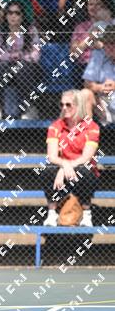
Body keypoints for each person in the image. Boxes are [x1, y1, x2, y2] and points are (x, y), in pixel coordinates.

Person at [42, 90, 100, 227]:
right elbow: (52, 156)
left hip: (81, 170)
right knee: (47, 170)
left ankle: (87, 214)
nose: (64, 108)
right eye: (61, 104)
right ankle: (52, 214)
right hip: (61, 172)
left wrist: (65, 168)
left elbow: (86, 158)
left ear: (79, 106)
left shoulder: (92, 127)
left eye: (68, 105)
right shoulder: (55, 126)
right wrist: (64, 166)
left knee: (84, 170)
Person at [0, 0, 45, 119]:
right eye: (10, 13)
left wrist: (23, 57)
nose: (13, 16)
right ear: (6, 15)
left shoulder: (31, 30)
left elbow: (36, 52)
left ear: (22, 15)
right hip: (6, 68)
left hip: (27, 69)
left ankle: (29, 108)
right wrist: (9, 57)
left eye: (17, 13)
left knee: (23, 67)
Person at [70, 0, 114, 78]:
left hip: (109, 63)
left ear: (104, 7)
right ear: (87, 7)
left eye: (98, 4)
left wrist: (102, 45)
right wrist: (90, 39)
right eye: (91, 4)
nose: (94, 7)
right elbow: (73, 55)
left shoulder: (111, 24)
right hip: (85, 65)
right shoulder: (80, 27)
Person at [82, 23, 115, 123]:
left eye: (113, 43)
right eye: (106, 43)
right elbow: (87, 84)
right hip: (104, 104)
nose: (109, 46)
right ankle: (88, 130)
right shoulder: (98, 55)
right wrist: (101, 87)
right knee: (85, 94)